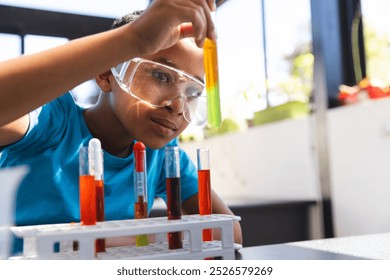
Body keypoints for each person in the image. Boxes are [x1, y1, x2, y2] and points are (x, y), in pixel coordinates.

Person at [0, 0, 242, 254]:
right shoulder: (54, 123)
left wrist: (121, 240)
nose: (178, 106)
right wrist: (133, 39)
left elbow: (231, 233)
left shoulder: (160, 154)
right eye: (160, 75)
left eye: (193, 91)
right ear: (106, 74)